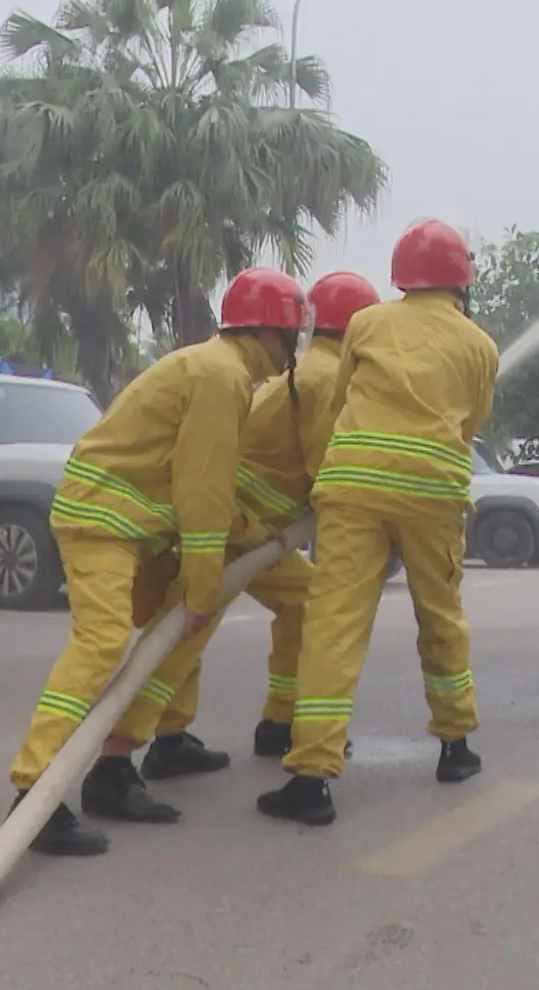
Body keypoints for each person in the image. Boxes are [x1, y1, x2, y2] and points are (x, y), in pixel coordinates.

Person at [7, 266, 308, 857]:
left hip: (129, 524)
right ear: (270, 331)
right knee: (102, 644)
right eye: (290, 334)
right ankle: (35, 788)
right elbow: (203, 488)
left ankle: (126, 764)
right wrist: (202, 587)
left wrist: (247, 537)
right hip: (104, 522)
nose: (293, 349)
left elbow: (187, 474)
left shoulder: (216, 368)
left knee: (165, 635)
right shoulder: (223, 378)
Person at [257, 220, 500, 826]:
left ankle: (312, 776)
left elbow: (341, 402)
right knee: (440, 618)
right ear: (461, 284)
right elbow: (470, 424)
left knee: (334, 624)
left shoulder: (367, 325)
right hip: (434, 495)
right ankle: (455, 747)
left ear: (401, 277)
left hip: (353, 488)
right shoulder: (480, 346)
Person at [124, 271, 384, 781]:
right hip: (235, 529)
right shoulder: (325, 380)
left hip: (256, 530)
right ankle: (123, 751)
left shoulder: (311, 371)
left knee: (301, 603)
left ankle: (273, 720)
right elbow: (324, 468)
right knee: (185, 632)